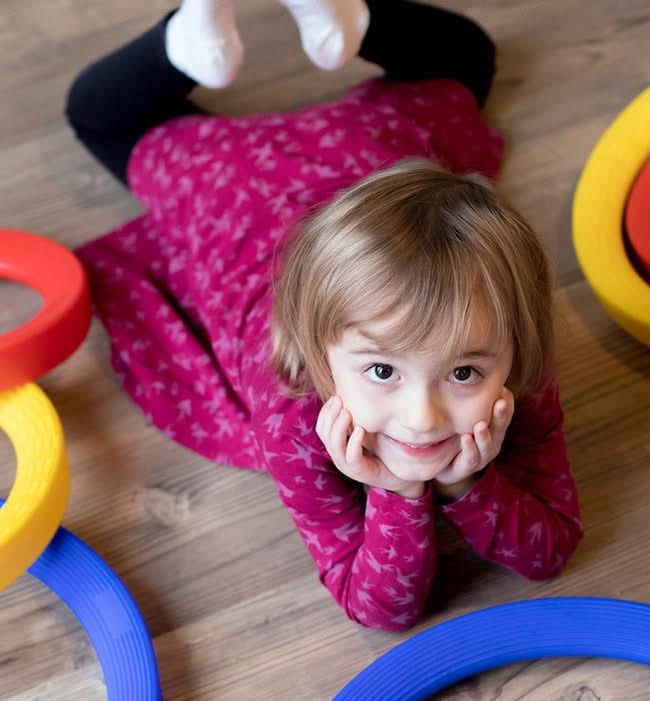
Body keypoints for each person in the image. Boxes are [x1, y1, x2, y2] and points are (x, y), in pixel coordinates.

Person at [65, 0, 583, 631]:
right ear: (318, 358)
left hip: (371, 172)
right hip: (232, 188)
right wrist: (396, 492)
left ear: (515, 351)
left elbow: (550, 550)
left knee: (465, 61)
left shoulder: (519, 366)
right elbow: (378, 609)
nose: (423, 419)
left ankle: (339, 21)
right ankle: (204, 35)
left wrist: (464, 483)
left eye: (465, 374)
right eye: (383, 372)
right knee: (99, 117)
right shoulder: (293, 412)